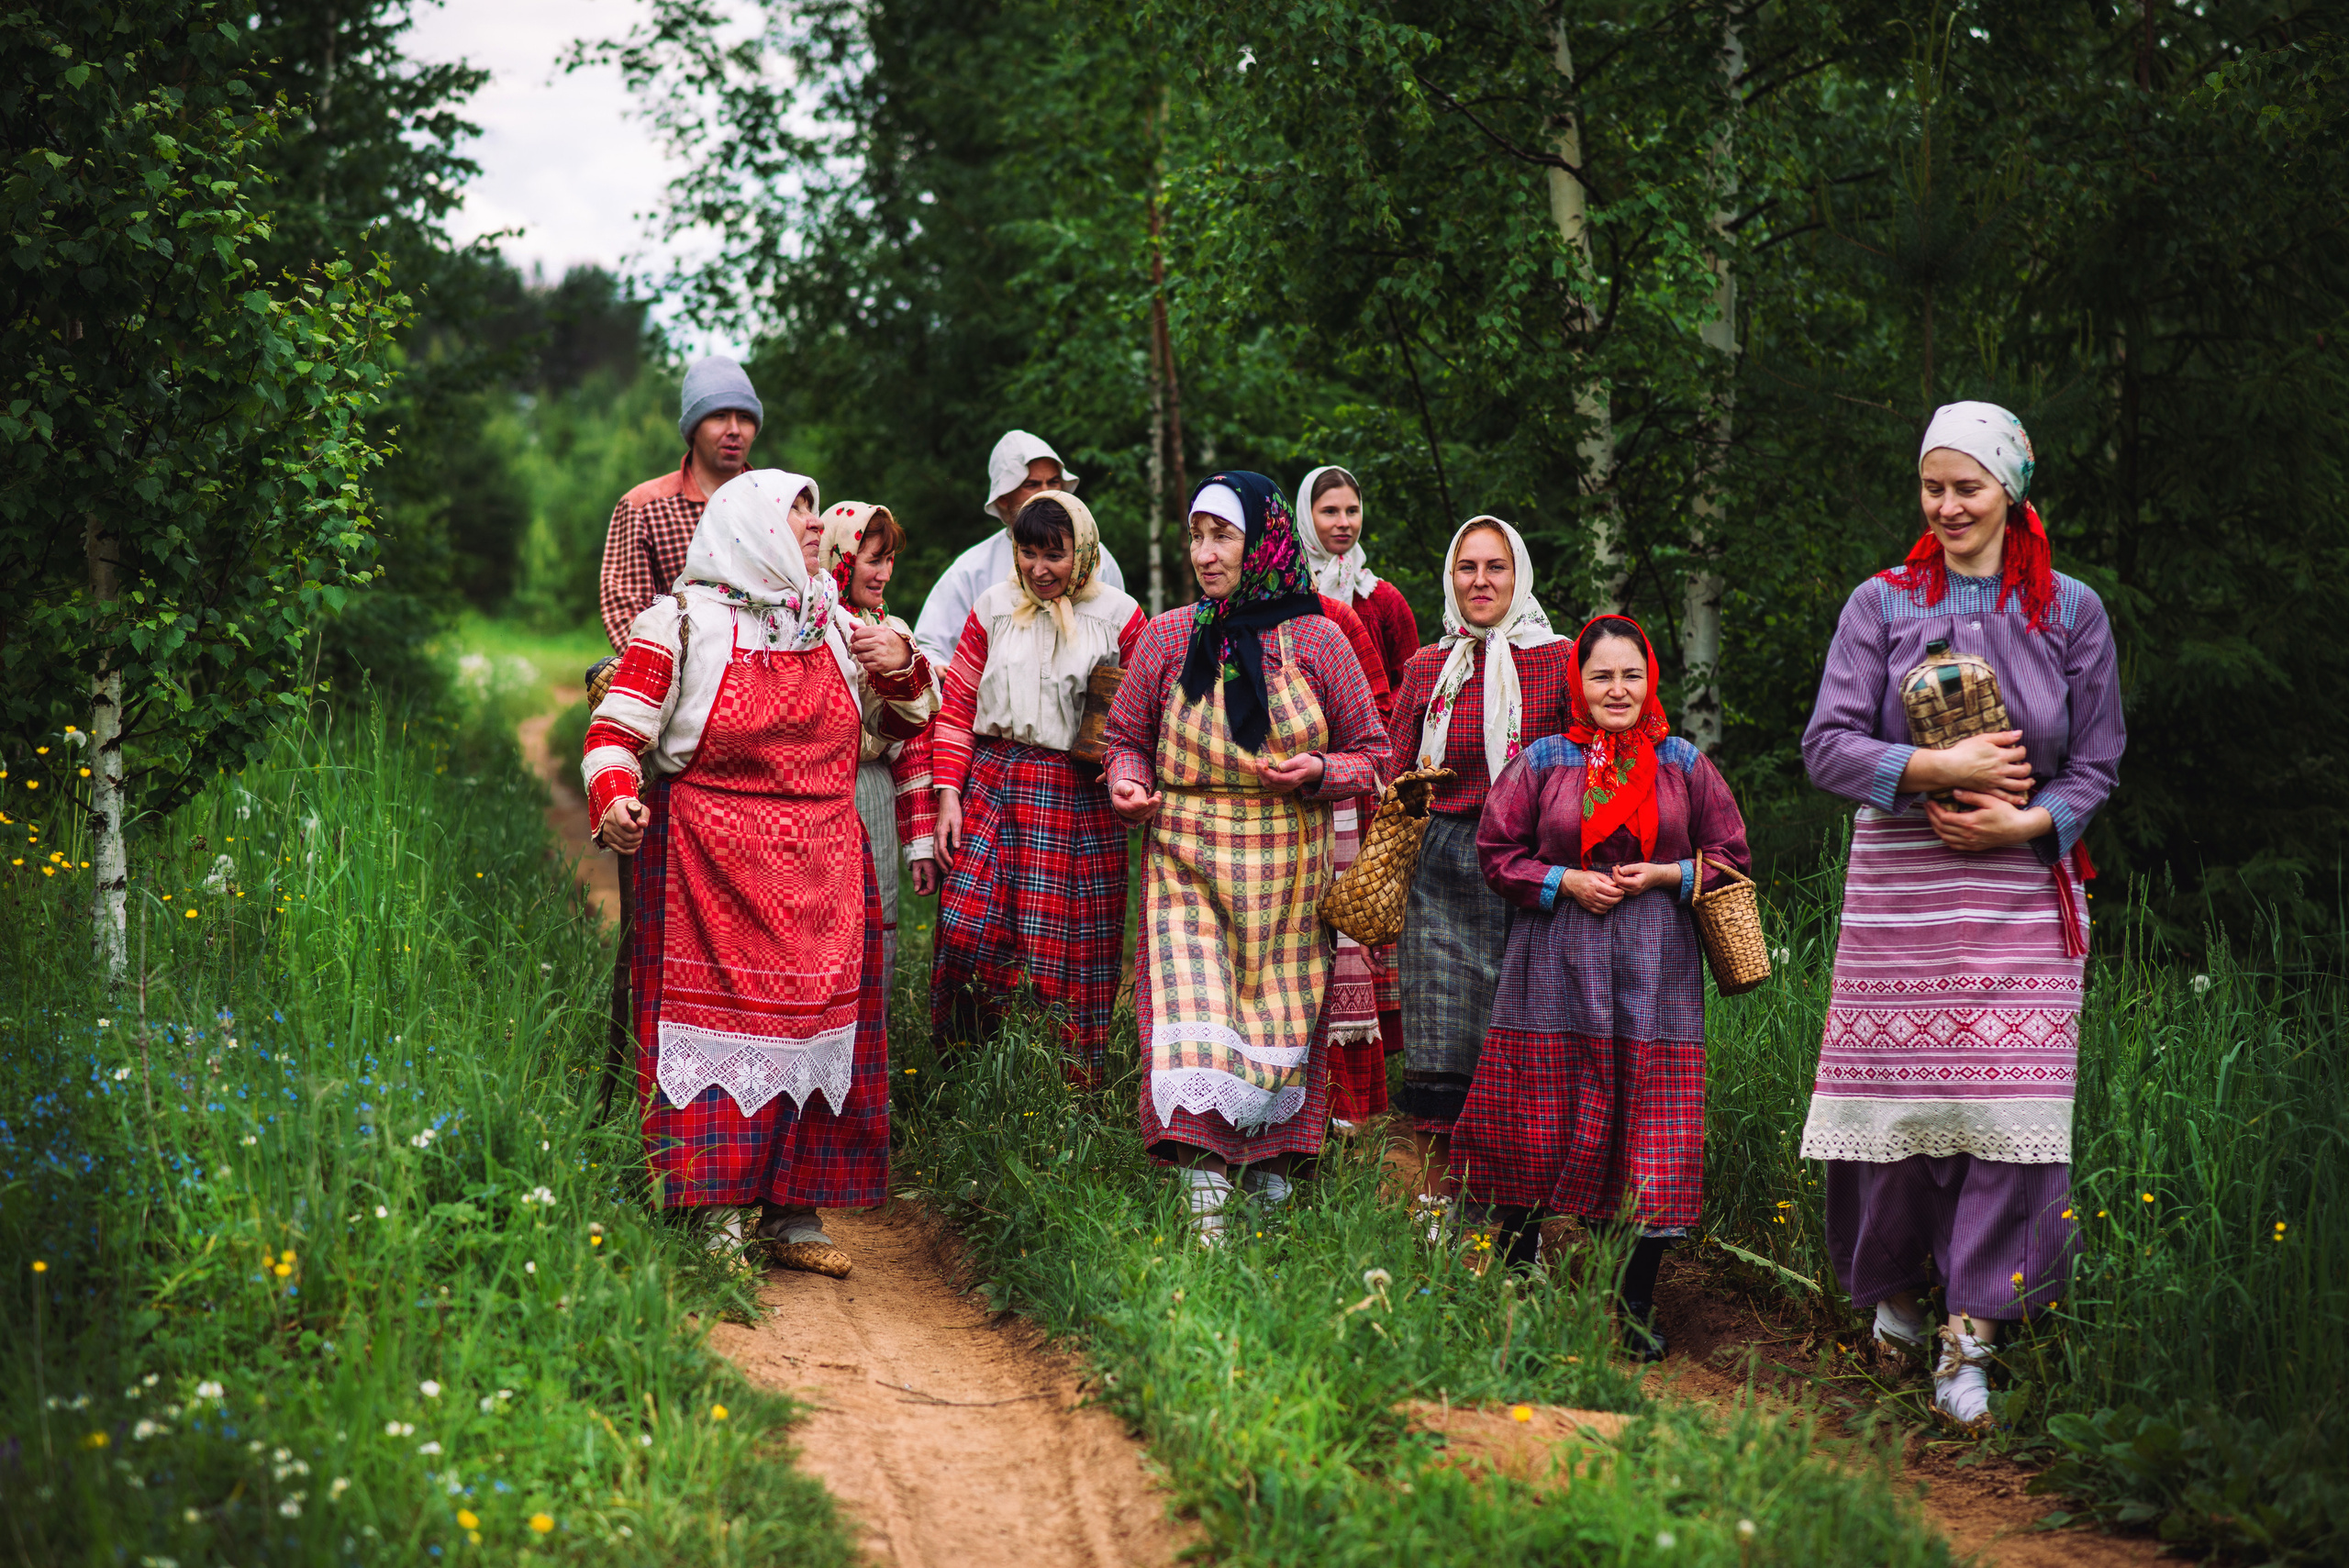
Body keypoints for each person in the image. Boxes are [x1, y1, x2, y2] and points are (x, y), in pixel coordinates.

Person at [1799, 401, 2123, 1429]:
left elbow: (2098, 762)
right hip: (1901, 897)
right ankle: (1895, 1295)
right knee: (1893, 1116)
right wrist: (1936, 766)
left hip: (2021, 892)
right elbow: (1828, 744)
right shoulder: (1881, 603)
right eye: (1932, 487)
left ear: (2009, 491)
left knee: (2007, 1119)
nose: (1945, 505)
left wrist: (2023, 821)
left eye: (1966, 486)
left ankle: (1970, 1333)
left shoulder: (2068, 610)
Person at [582, 470, 928, 1281]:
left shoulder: (839, 628)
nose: (811, 524)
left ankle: (792, 1211)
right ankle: (714, 1211)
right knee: (719, 1034)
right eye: (796, 510)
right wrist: (617, 797)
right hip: (711, 866)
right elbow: (614, 730)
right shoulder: (681, 623)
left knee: (811, 1032)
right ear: (748, 526)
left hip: (823, 868)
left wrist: (900, 663)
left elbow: (906, 720)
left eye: (814, 510)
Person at [1101, 473, 1389, 1244]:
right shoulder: (1168, 637)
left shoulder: (1319, 637)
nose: (1203, 553)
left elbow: (1373, 754)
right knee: (1194, 1027)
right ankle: (1205, 1217)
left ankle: (1268, 1210)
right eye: (1195, 536)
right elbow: (1125, 738)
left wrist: (1319, 773)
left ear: (1260, 541)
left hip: (1287, 873)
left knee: (1276, 1031)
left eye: (1220, 535)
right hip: (1186, 861)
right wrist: (1129, 782)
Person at [1453, 615, 1752, 1357]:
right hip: (1552, 964)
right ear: (1576, 685)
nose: (1617, 690)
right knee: (1536, 1114)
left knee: (1647, 1130)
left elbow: (1731, 855)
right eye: (1601, 676)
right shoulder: (1545, 761)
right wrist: (1563, 880)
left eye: (1630, 675)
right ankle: (1521, 1275)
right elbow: (1497, 851)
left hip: (1656, 973)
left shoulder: (1684, 763)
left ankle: (1635, 1302)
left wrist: (1667, 874)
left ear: (1651, 679)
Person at [1386, 517, 1576, 1225]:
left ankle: (1515, 1211)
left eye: (1495, 567)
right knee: (1440, 1044)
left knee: (1517, 1038)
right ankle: (1442, 1207)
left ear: (1518, 574)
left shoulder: (1559, 660)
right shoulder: (1429, 666)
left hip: (1528, 870)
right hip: (1440, 865)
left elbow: (1586, 759)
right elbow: (1396, 764)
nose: (1481, 581)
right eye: (1467, 567)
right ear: (1451, 577)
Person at [924, 489, 1145, 1079]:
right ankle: (966, 1071)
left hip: (1079, 797)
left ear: (1084, 551)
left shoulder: (1122, 617)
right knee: (968, 927)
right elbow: (956, 707)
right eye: (1028, 554)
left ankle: (1060, 1083)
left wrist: (1130, 778)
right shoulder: (993, 608)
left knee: (1066, 944)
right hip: (994, 785)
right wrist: (949, 795)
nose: (1039, 570)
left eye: (1056, 555)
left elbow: (1143, 715)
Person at [1296, 464, 1419, 1130]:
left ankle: (1368, 1078)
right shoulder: (1289, 598)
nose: (1343, 522)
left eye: (1351, 510)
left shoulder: (1381, 599)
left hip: (1365, 777)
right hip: (1301, 779)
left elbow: (1407, 686)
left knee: (1359, 916)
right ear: (1303, 518)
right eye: (1329, 511)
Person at [817, 501, 942, 984]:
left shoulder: (891, 634)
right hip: (819, 791)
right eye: (874, 559)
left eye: (890, 560)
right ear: (841, 558)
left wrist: (920, 843)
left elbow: (912, 749)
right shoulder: (807, 630)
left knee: (873, 922)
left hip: (871, 796)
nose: (885, 573)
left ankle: (868, 1050)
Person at [911, 431, 1127, 669]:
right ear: (1004, 497)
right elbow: (930, 647)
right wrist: (943, 671)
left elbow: (1123, 638)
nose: (1047, 492)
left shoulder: (1097, 557)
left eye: (1054, 482)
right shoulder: (971, 569)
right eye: (1032, 485)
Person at [599, 356, 764, 650]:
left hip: (770, 683)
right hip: (682, 683)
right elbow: (627, 615)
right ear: (693, 428)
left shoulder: (779, 505)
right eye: (719, 416)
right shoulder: (644, 508)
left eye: (746, 417)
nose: (734, 429)